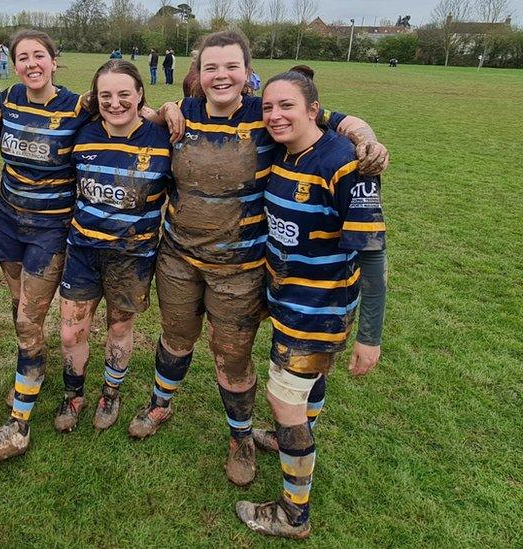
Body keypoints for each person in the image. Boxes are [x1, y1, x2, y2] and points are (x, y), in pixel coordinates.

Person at [142, 30, 389, 487]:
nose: (221, 76)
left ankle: (240, 439)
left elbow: (335, 121)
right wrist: (164, 108)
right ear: (198, 72)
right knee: (175, 337)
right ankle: (159, 404)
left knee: (231, 356)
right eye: (211, 67)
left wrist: (367, 138)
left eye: (231, 66)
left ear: (246, 71)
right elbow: (138, 112)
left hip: (240, 267)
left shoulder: (268, 114)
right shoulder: (182, 115)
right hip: (177, 257)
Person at [235, 68, 387, 540]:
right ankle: (289, 436)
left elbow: (375, 259)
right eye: (269, 107)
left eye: (288, 107)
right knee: (307, 384)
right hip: (285, 296)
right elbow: (328, 114)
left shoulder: (347, 166)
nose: (276, 115)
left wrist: (370, 337)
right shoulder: (283, 148)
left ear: (313, 111)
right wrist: (354, 121)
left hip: (319, 307)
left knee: (283, 401)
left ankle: (292, 514)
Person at [0, 29, 93, 461]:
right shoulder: (5, 100)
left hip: (50, 230)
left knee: (28, 318)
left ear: (53, 60)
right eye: (22, 57)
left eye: (38, 55)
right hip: (8, 222)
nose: (31, 64)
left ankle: (19, 426)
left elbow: (129, 112)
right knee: (19, 306)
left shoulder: (78, 105)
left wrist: (167, 112)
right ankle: (31, 367)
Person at [54, 59, 172, 434]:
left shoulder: (164, 138)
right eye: (106, 95)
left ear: (140, 94)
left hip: (133, 257)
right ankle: (74, 395)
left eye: (124, 94)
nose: (116, 103)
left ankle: (110, 392)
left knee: (119, 329)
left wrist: (166, 111)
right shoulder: (82, 132)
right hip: (83, 250)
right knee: (71, 332)